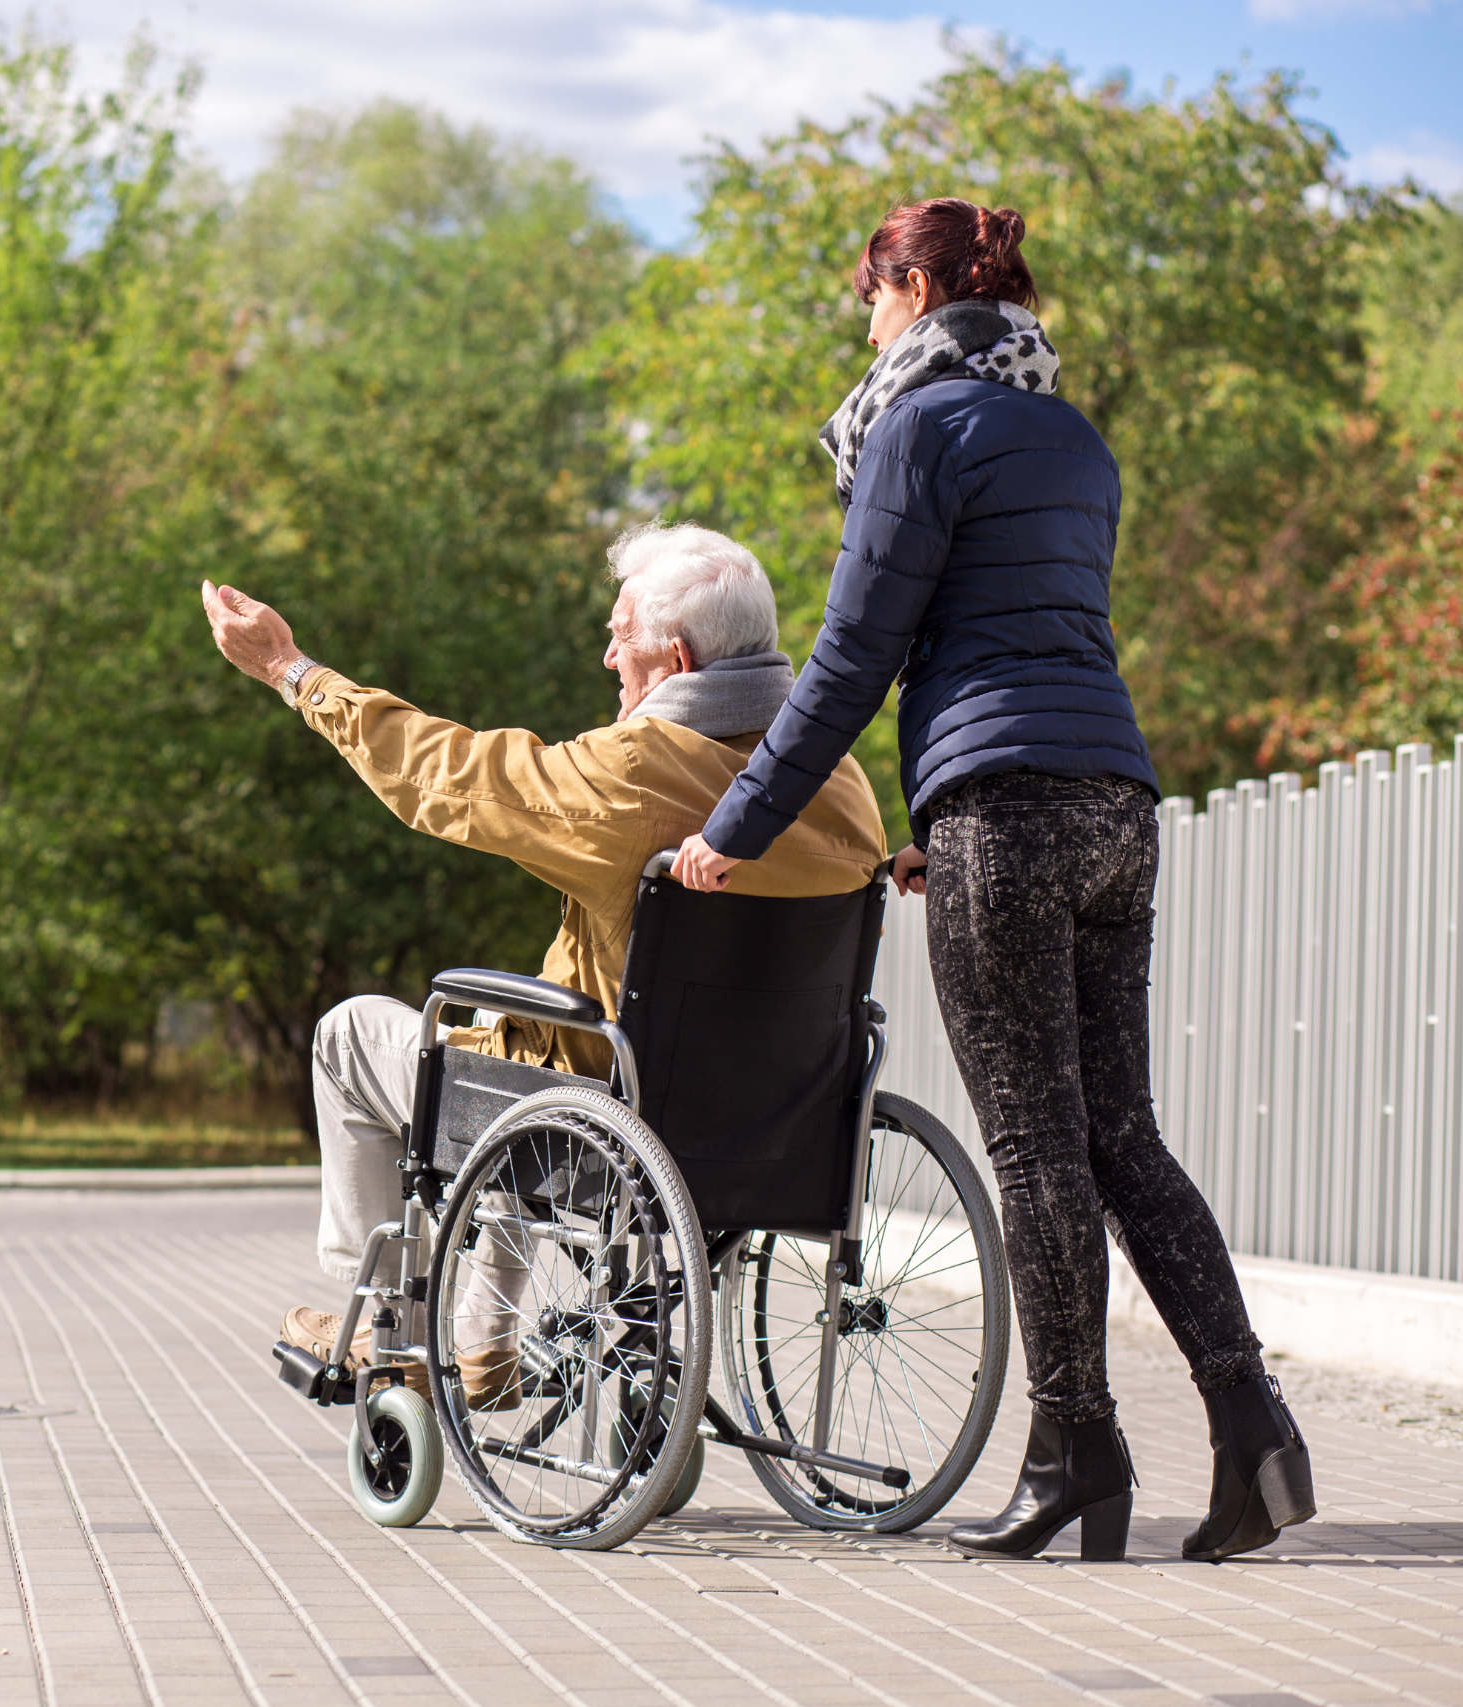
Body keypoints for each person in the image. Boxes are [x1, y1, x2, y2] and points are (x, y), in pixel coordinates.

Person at [670, 198, 1314, 1564]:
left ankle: (1073, 1447)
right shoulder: (1076, 437)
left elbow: (856, 655)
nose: (863, 317)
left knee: (1031, 1141)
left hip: (1004, 811)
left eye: (868, 292)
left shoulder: (917, 426)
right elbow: (1027, 631)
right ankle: (1254, 1426)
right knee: (1120, 1133)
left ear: (912, 288)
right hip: (1113, 802)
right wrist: (930, 826)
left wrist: (738, 820)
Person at [200, 523, 885, 1405]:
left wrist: (294, 673)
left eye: (619, 634)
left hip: (612, 1121)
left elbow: (444, 773)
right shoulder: (843, 783)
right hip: (783, 1127)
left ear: (674, 657)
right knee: (535, 1051)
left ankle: (390, 1327)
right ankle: (482, 1342)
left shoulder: (630, 774)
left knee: (361, 1037)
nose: (607, 657)